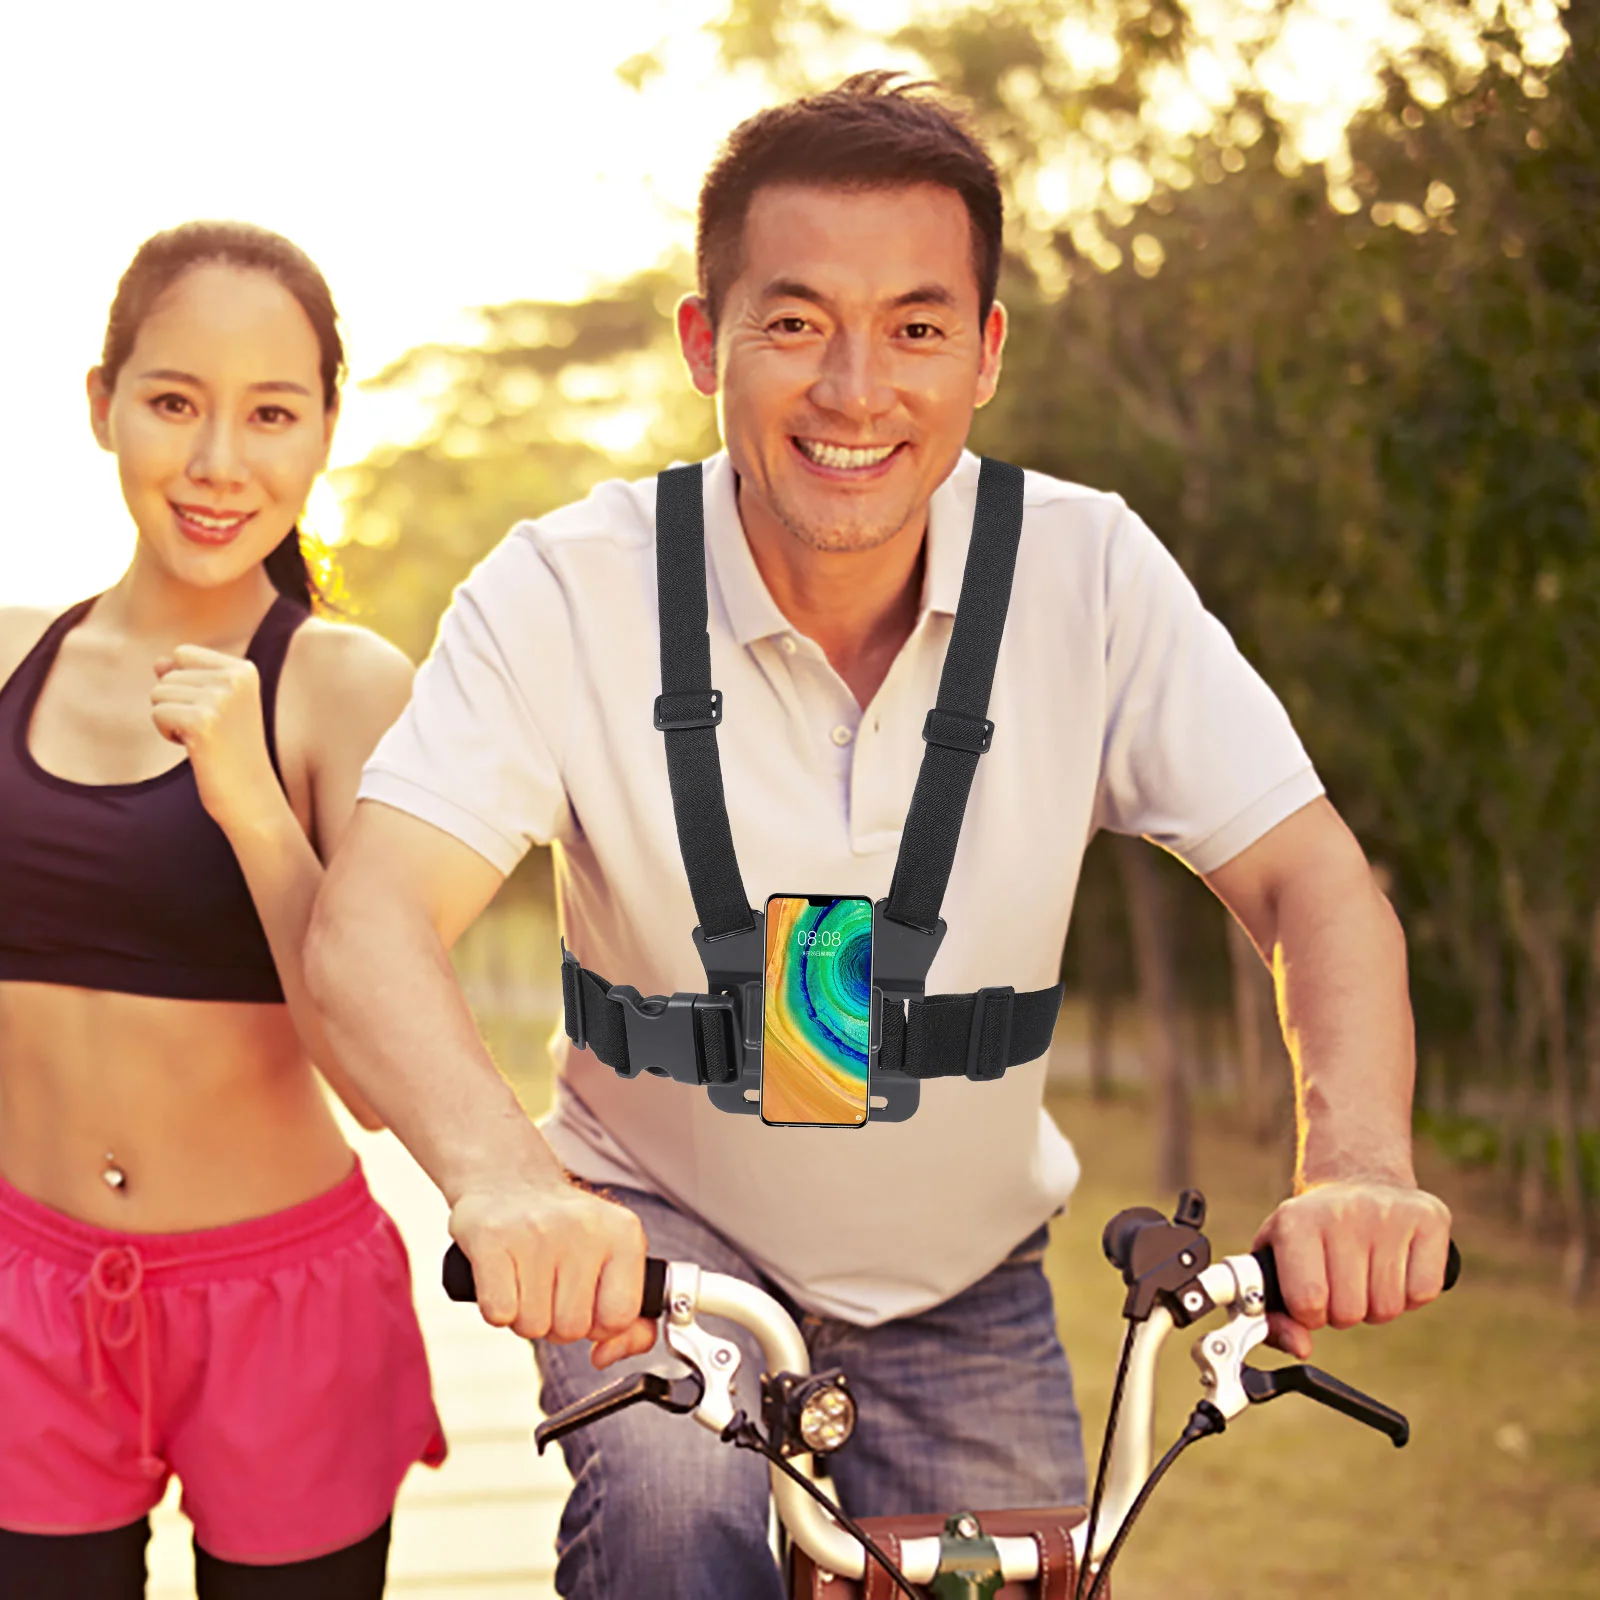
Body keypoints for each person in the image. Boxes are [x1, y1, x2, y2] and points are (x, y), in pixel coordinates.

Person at [306, 75, 1453, 1600]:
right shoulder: (561, 592)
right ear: (704, 343)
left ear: (984, 356)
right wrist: (509, 1183)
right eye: (794, 324)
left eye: (916, 327)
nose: (856, 390)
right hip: (663, 1258)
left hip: (967, 1284)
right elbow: (369, 924)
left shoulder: (1091, 575)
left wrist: (1360, 1163)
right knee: (664, 1516)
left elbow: (1313, 881)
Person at [0, 222, 446, 1600]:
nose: (215, 464)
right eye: (174, 402)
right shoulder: (17, 653)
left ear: (323, 433)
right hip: (26, 1293)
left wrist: (250, 799)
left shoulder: (344, 682)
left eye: (270, 414)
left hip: (281, 1306)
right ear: (102, 404)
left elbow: (377, 1077)